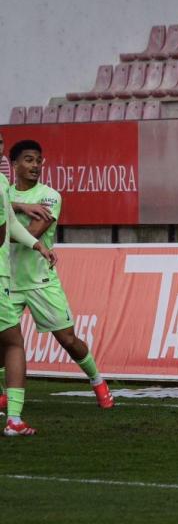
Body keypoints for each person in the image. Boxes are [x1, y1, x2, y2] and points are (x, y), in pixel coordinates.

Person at [4, 141, 111, 410]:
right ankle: (7, 399)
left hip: (41, 281)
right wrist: (16, 207)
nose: (35, 166)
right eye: (28, 160)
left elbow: (35, 232)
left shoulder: (50, 196)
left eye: (39, 161)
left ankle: (98, 381)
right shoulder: (6, 193)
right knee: (4, 342)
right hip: (8, 282)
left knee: (68, 340)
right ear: (14, 164)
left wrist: (9, 220)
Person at [0, 134, 58, 436]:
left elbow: (10, 224)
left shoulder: (6, 187)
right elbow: (3, 232)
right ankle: (13, 419)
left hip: (21, 278)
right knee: (12, 344)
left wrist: (37, 245)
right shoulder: (2, 186)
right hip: (2, 277)